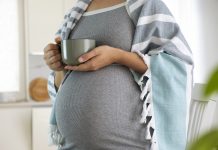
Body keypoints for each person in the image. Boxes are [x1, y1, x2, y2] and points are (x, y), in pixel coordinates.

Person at [44, 0, 193, 149]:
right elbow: (61, 84)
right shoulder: (75, 13)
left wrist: (118, 56)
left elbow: (178, 64)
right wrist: (57, 65)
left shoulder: (146, 4)